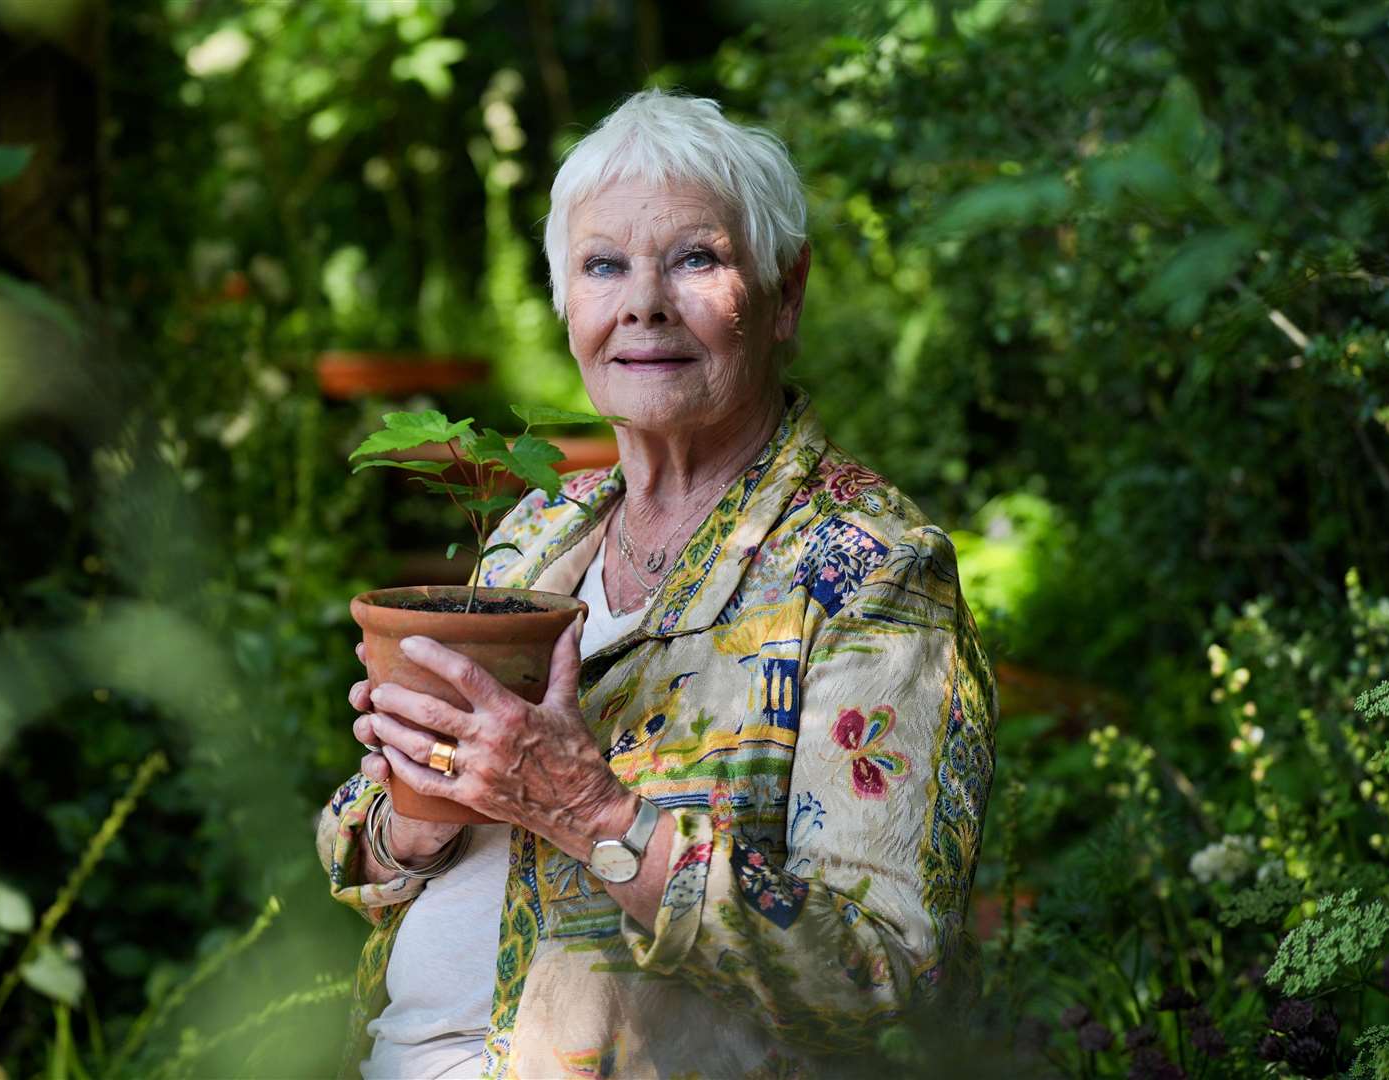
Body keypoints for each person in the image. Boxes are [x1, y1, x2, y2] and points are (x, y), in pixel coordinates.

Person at [316, 88, 997, 1078]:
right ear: (566, 305)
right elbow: (362, 852)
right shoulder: (537, 533)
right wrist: (406, 820)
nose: (641, 303)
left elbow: (876, 980)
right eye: (601, 266)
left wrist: (590, 810)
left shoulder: (865, 573)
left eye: (694, 259)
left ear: (784, 294)